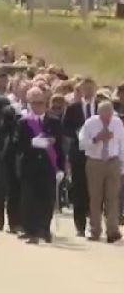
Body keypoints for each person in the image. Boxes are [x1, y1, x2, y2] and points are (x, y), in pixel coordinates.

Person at [16, 87, 65, 244]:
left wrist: (61, 168)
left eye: (41, 103)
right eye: (35, 103)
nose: (38, 106)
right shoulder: (24, 122)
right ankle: (31, 231)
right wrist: (31, 143)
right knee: (29, 199)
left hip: (48, 166)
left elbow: (60, 147)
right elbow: (16, 144)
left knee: (47, 199)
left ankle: (44, 229)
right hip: (29, 167)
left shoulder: (54, 122)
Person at [78, 101, 123, 243]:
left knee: (113, 197)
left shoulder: (117, 123)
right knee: (95, 197)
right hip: (95, 162)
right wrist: (97, 139)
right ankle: (95, 230)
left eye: (109, 116)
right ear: (98, 114)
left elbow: (122, 144)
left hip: (113, 162)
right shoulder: (90, 123)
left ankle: (112, 231)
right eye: (104, 117)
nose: (107, 120)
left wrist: (122, 165)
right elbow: (81, 144)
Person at [63, 77, 97, 236]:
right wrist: (77, 134)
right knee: (80, 189)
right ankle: (80, 225)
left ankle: (94, 223)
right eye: (86, 88)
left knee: (95, 190)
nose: (89, 91)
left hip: (97, 155)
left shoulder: (101, 107)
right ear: (81, 90)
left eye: (91, 88)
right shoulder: (73, 108)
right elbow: (65, 128)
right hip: (79, 154)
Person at [0, 104, 21, 233]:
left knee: (13, 193)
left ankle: (14, 221)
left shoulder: (17, 128)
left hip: (13, 162)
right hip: (0, 162)